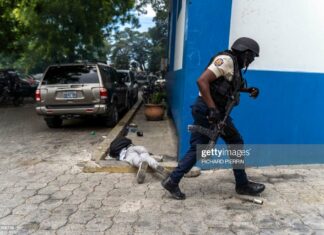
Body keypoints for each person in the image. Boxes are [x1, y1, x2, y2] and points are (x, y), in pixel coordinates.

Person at [161, 37, 266, 200]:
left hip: (211, 110)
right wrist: (212, 109)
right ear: (245, 53)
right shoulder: (225, 60)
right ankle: (242, 184)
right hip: (209, 110)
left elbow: (227, 86)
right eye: (252, 57)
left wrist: (248, 90)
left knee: (199, 148)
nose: (251, 61)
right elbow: (202, 81)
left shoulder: (234, 65)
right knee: (234, 141)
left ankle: (172, 180)